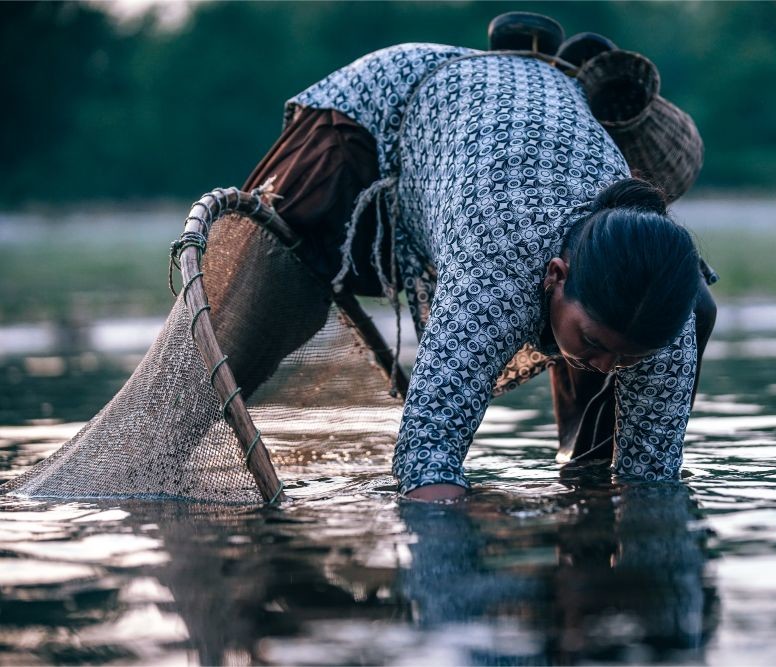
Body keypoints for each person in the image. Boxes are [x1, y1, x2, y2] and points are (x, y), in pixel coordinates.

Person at [240, 42, 716, 501]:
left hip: (527, 120)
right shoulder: (493, 276)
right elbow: (426, 458)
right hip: (392, 105)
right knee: (273, 293)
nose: (610, 369)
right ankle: (185, 428)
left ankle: (584, 486)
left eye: (627, 358)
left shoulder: (665, 316)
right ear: (555, 275)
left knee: (680, 316)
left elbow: (653, 478)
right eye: (594, 343)